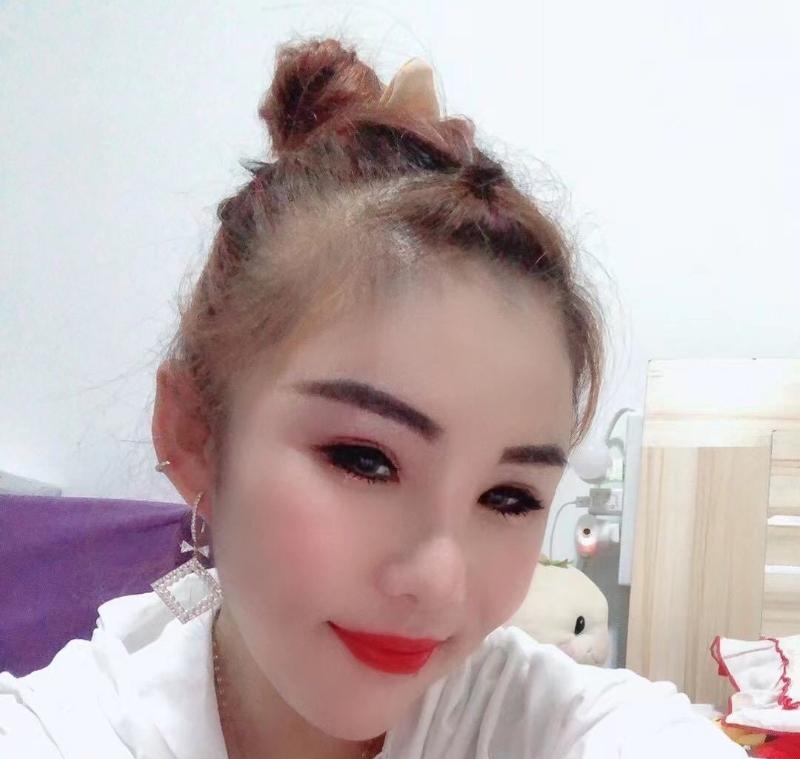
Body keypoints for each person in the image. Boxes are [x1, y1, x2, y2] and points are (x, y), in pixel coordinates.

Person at [0, 37, 745, 759]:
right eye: (364, 459)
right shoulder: (61, 732)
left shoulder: (556, 725)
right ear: (195, 433)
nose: (440, 583)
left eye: (510, 496)